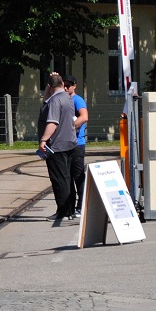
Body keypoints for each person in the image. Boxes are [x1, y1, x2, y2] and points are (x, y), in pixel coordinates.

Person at [37, 72, 78, 223]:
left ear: (49, 86)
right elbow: (46, 100)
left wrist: (43, 140)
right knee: (67, 178)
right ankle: (70, 210)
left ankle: (62, 212)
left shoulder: (55, 101)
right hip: (70, 143)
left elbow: (52, 123)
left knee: (59, 180)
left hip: (57, 146)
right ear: (62, 84)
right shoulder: (67, 98)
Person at [63, 75, 89, 215]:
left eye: (69, 85)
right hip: (66, 144)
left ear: (74, 86)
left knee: (78, 176)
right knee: (67, 176)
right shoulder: (62, 99)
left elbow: (84, 117)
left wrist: (69, 127)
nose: (66, 87)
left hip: (77, 144)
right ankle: (71, 207)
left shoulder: (77, 100)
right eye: (64, 85)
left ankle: (81, 205)